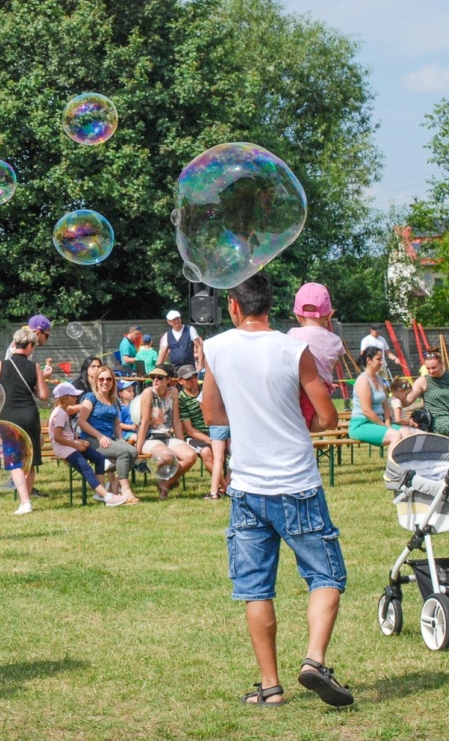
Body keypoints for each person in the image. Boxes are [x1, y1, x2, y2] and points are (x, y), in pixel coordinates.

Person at [201, 273, 352, 708]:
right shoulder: (294, 348)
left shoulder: (216, 348)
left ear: (233, 306)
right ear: (273, 305)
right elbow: (327, 417)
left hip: (248, 487)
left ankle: (270, 688)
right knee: (325, 575)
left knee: (255, 587)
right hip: (298, 484)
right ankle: (314, 661)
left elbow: (213, 412)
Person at [49, 383, 135, 506]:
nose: (76, 398)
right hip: (64, 449)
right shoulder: (59, 413)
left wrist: (77, 441)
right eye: (74, 396)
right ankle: (107, 496)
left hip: (71, 445)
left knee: (98, 457)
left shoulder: (63, 412)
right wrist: (75, 445)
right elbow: (57, 437)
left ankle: (100, 494)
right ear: (66, 397)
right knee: (86, 468)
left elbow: (66, 434)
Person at [0, 326, 49, 514]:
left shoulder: (1, 365)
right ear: (31, 346)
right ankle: (27, 498)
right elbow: (43, 395)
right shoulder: (35, 367)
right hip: (29, 415)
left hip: (8, 416)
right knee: (30, 458)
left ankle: (25, 502)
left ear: (15, 344)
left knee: (13, 459)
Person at [74, 367, 138, 503]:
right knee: (123, 453)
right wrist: (99, 436)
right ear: (96, 381)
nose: (105, 382)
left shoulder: (113, 400)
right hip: (91, 439)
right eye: (101, 379)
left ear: (113, 382)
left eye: (108, 379)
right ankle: (126, 491)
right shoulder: (90, 398)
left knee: (132, 451)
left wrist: (121, 439)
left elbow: (116, 424)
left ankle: (114, 485)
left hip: (111, 439)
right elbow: (81, 421)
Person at [134, 364, 197, 499]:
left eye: (160, 377)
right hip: (150, 437)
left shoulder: (173, 392)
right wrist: (137, 450)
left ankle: (165, 483)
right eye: (153, 377)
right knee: (167, 457)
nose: (155, 380)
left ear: (168, 380)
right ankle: (167, 484)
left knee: (191, 456)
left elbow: (176, 420)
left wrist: (181, 442)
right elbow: (144, 422)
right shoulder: (148, 393)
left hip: (167, 436)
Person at [286, 283, 343, 428]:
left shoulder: (291, 335)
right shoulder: (335, 341)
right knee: (310, 425)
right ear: (330, 315)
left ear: (297, 316)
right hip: (321, 395)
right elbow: (335, 363)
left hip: (295, 390)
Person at [175, 365, 228, 500]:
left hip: (216, 431)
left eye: (194, 376)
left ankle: (224, 487)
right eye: (188, 379)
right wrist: (209, 440)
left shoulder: (206, 390)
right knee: (206, 452)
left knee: (236, 449)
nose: (193, 380)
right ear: (180, 381)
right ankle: (225, 486)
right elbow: (190, 430)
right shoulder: (181, 399)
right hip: (195, 436)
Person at [348, 347, 416, 449]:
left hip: (379, 422)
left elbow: (385, 406)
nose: (382, 362)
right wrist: (384, 427)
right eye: (378, 359)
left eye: (382, 359)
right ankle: (392, 465)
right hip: (361, 424)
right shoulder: (363, 381)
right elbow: (367, 411)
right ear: (369, 360)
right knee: (395, 435)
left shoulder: (379, 379)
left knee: (407, 433)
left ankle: (405, 463)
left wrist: (388, 423)